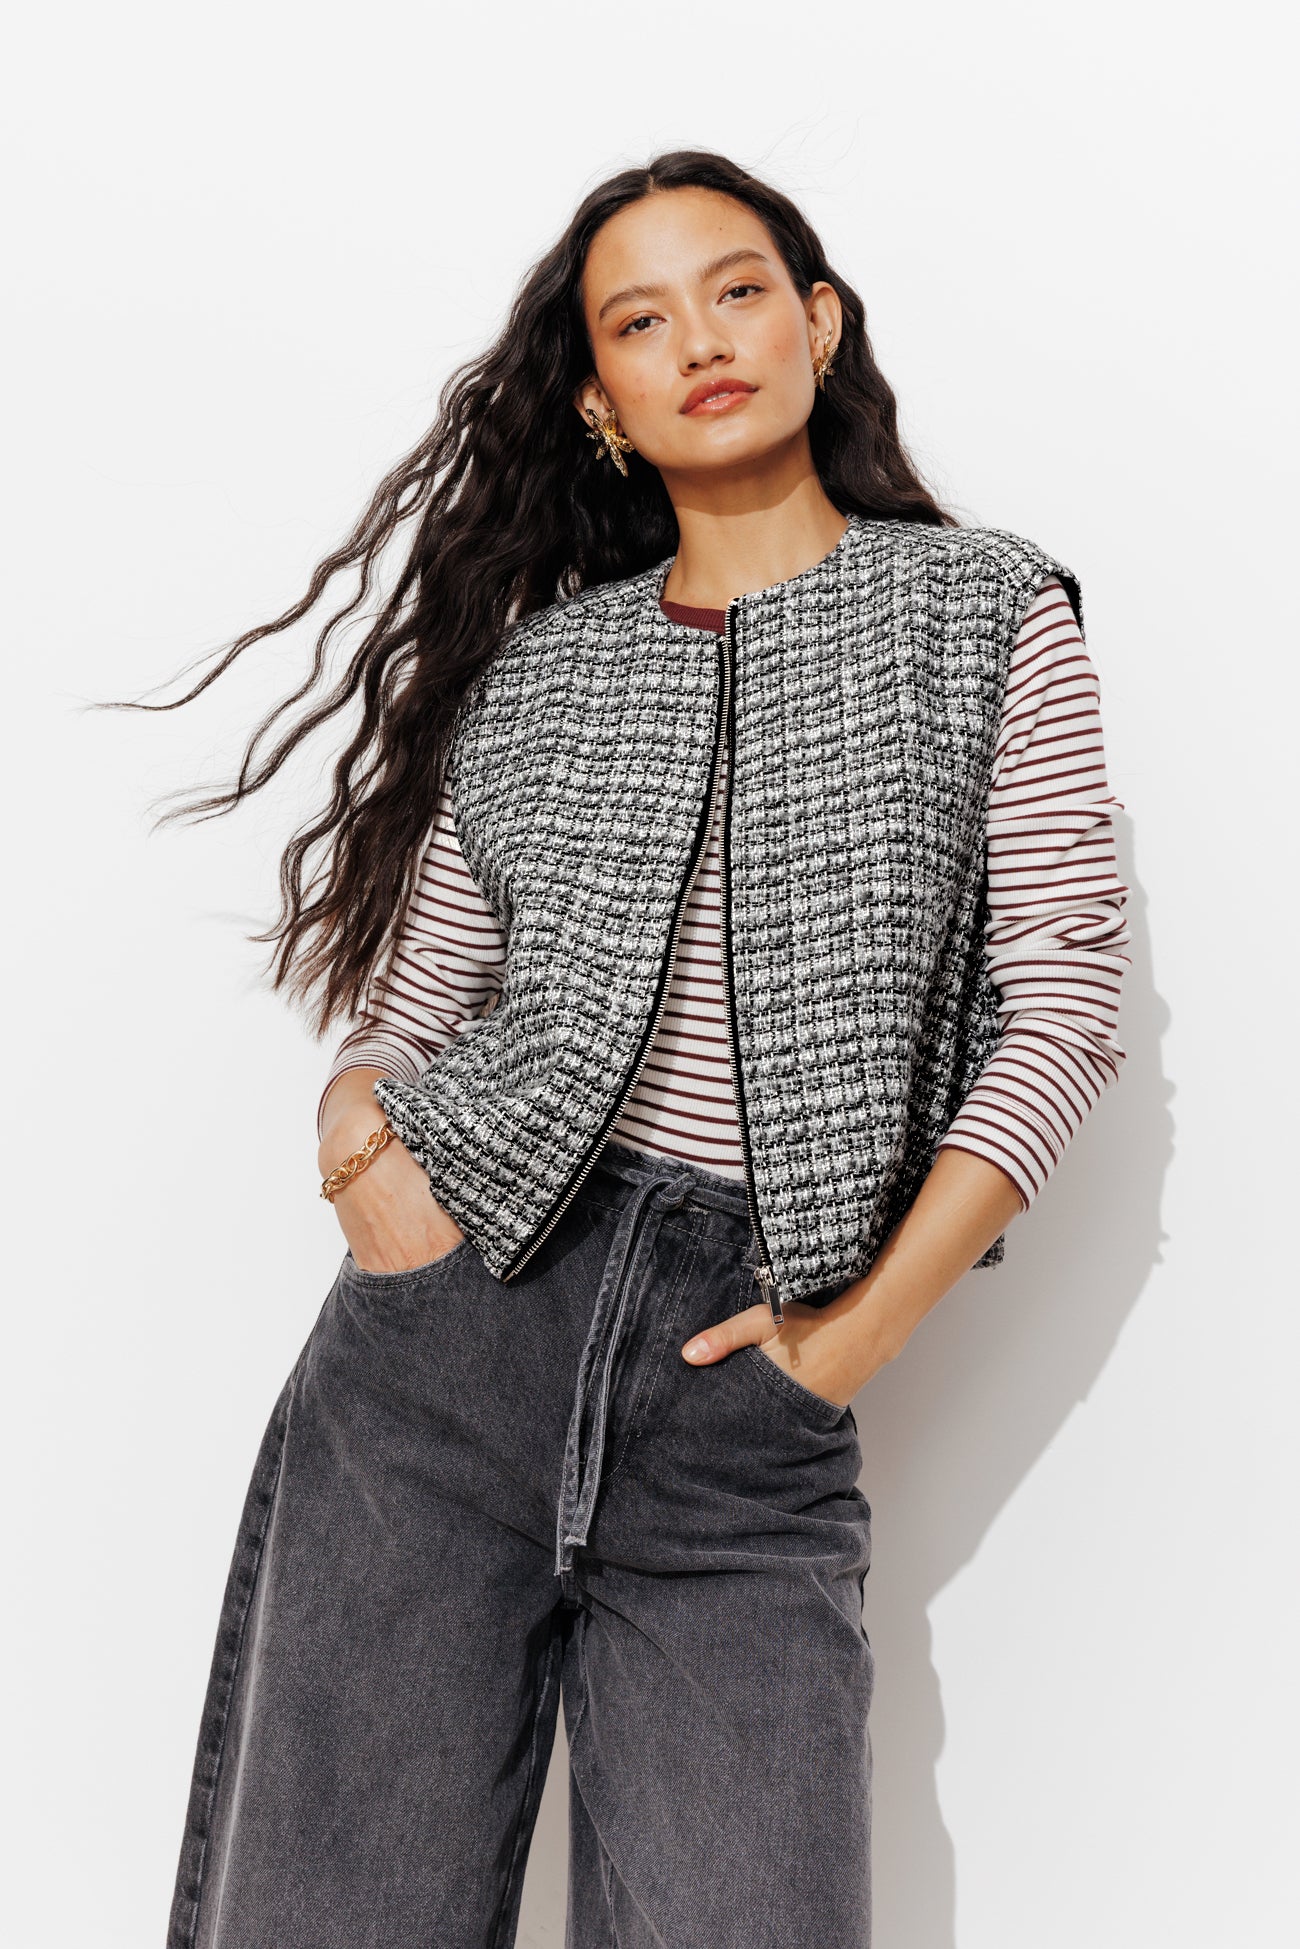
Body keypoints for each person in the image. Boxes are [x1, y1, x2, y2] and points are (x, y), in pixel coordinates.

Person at [146, 148, 1131, 1948]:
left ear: (819, 322)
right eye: (642, 320)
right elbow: (412, 1008)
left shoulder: (986, 609)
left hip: (746, 1403)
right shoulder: (544, 669)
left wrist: (847, 1341)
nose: (704, 340)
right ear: (603, 401)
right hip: (442, 1355)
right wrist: (366, 1156)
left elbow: (1064, 990)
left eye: (738, 290)